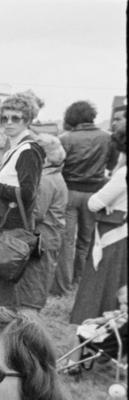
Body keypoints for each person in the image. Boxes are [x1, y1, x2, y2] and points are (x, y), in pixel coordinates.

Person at [0, 93, 46, 312]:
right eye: (4, 118)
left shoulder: (28, 151)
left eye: (15, 118)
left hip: (13, 229)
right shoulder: (15, 149)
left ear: (27, 119)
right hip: (2, 225)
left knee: (4, 292)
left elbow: (28, 193)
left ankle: (4, 335)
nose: (8, 123)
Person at [70, 128, 127, 324]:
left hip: (112, 233)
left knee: (102, 281)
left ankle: (94, 322)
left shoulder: (123, 174)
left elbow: (94, 203)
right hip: (120, 229)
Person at [58, 101, 115, 295]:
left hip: (69, 192)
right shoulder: (108, 138)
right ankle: (80, 282)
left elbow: (59, 165)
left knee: (66, 241)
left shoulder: (65, 138)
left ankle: (63, 285)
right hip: (95, 193)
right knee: (87, 240)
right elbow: (112, 164)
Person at [35, 134, 69, 299]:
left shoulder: (45, 180)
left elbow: (37, 213)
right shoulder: (57, 176)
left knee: (37, 281)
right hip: (52, 234)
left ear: (45, 159)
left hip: (44, 236)